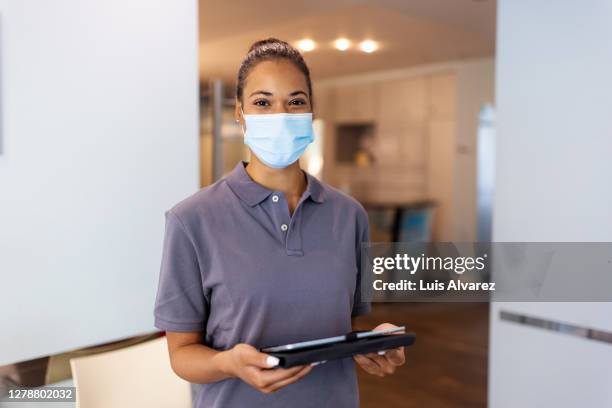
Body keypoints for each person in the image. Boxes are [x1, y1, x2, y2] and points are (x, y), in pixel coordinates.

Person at [153, 38, 405, 408]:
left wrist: (373, 344)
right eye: (262, 102)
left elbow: (338, 326)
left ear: (310, 111)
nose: (281, 115)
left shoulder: (350, 216)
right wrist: (229, 363)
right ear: (239, 113)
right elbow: (181, 354)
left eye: (296, 101)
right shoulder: (191, 220)